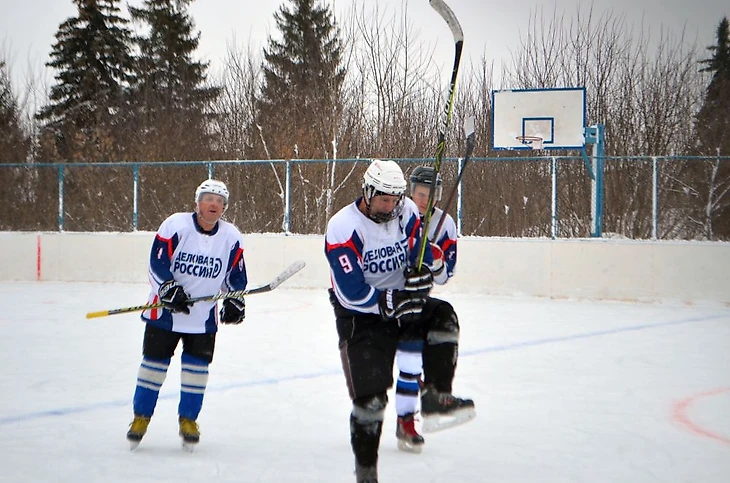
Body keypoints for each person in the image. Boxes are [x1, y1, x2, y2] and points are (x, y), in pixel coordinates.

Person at [324, 159, 473, 483]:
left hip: (399, 302)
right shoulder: (343, 227)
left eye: (394, 200)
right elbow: (351, 294)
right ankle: (366, 472)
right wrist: (390, 300)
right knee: (371, 400)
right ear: (367, 192)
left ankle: (436, 396)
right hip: (361, 316)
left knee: (443, 315)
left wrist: (420, 272)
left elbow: (416, 251)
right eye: (383, 200)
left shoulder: (405, 210)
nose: (390, 207)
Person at [126, 179, 248, 451]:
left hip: (203, 320)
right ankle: (140, 418)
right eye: (208, 198)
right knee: (152, 368)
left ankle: (188, 420)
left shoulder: (231, 236)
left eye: (219, 201)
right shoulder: (175, 225)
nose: (214, 203)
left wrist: (234, 299)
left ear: (224, 208)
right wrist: (168, 288)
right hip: (164, 314)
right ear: (197, 203)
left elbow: (235, 275)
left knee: (196, 373)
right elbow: (157, 262)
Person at [393, 166, 474, 454]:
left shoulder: (445, 224)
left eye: (429, 195)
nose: (424, 200)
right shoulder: (397, 214)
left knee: (445, 319)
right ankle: (407, 416)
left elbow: (444, 276)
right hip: (390, 298)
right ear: (410, 191)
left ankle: (437, 394)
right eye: (419, 193)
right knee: (406, 357)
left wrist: (436, 261)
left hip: (418, 300)